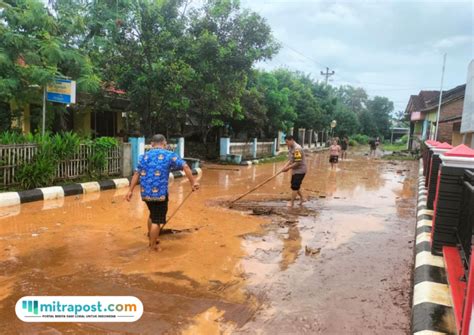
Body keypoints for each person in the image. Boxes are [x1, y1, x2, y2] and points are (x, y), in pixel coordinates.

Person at [126, 134, 200, 251]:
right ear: (165, 144)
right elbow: (185, 166)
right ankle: (152, 246)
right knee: (157, 220)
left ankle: (152, 238)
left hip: (145, 193)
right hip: (160, 194)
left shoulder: (143, 156)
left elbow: (136, 174)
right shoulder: (169, 155)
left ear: (151, 144)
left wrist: (130, 191)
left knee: (152, 214)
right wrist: (193, 183)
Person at [281, 135, 307, 208]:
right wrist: (285, 166)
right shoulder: (291, 148)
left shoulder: (297, 149)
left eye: (287, 142)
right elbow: (291, 160)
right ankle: (303, 198)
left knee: (294, 187)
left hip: (300, 170)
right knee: (294, 185)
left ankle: (291, 203)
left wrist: (288, 168)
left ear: (291, 140)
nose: (286, 144)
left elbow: (298, 162)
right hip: (295, 170)